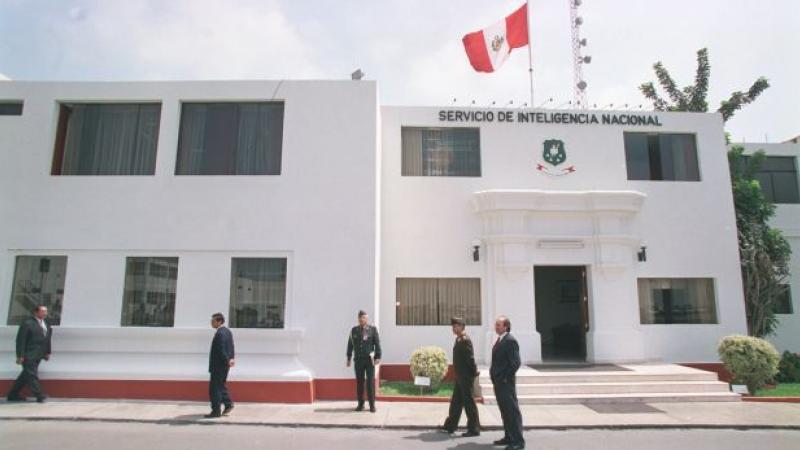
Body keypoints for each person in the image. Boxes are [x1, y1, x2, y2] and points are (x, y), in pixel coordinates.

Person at [439, 317, 481, 436]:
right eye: (453, 326)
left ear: (462, 327)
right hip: (460, 376)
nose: (453, 328)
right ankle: (450, 426)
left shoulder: (465, 340)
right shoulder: (459, 339)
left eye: (456, 326)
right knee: (456, 402)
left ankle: (474, 429)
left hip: (466, 377)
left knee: (469, 403)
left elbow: (470, 359)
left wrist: (474, 372)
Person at [490, 315, 524, 450]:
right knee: (505, 411)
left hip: (505, 383)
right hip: (498, 382)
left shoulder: (510, 341)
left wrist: (504, 378)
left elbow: (516, 363)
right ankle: (509, 437)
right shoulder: (500, 340)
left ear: (506, 326)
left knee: (512, 411)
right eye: (496, 324)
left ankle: (518, 442)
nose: (496, 327)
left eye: (498, 325)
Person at [6, 305, 52, 403]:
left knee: (25, 375)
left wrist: (48, 352)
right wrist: (20, 355)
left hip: (39, 354)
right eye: (43, 311)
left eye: (46, 311)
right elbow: (21, 340)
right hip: (28, 354)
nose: (45, 313)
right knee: (31, 374)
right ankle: (39, 394)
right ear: (36, 312)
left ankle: (13, 394)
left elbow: (47, 339)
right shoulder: (27, 323)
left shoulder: (46, 324)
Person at [346, 310, 381, 412]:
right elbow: (350, 345)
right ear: (358, 319)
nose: (362, 319)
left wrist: (378, 356)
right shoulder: (354, 330)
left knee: (370, 383)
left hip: (369, 360)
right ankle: (360, 404)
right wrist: (348, 357)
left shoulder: (372, 329)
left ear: (367, 319)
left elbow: (377, 344)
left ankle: (372, 405)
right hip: (358, 361)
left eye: (364, 318)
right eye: (360, 318)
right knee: (359, 383)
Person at [206, 312, 235, 418]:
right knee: (220, 386)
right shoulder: (227, 331)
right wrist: (231, 358)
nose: (211, 323)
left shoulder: (220, 334)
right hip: (224, 365)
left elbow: (221, 349)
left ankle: (216, 410)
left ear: (219, 322)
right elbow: (231, 346)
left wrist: (227, 360)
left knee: (215, 389)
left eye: (213, 321)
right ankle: (228, 404)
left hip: (218, 365)